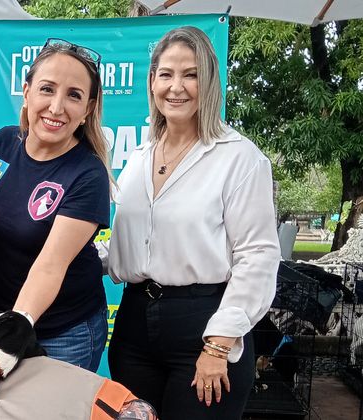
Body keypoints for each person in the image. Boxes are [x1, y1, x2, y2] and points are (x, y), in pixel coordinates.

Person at [107, 26, 280, 419]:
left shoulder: (239, 158)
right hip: (134, 327)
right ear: (151, 82)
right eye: (166, 74)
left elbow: (258, 256)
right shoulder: (138, 157)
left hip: (204, 324)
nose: (176, 87)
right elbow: (128, 242)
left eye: (191, 74)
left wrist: (218, 345)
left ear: (210, 82)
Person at [0, 38, 112, 372]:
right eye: (47, 89)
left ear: (88, 109)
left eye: (74, 95)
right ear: (27, 92)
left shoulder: (87, 174)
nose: (56, 106)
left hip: (64, 332)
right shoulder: (0, 144)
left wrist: (10, 334)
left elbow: (50, 266)